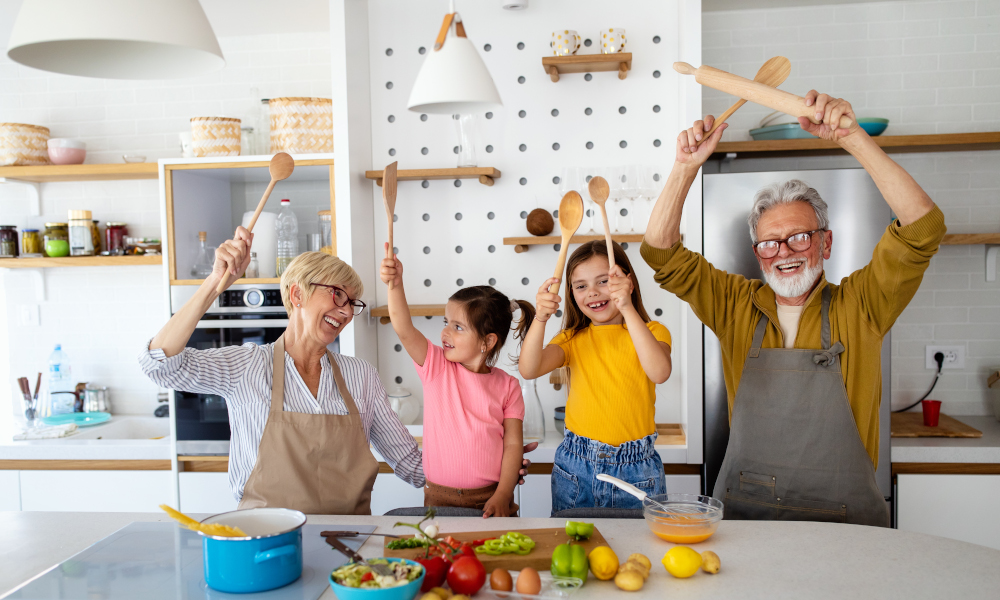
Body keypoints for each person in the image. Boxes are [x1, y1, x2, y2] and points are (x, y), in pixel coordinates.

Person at [641, 91, 946, 526]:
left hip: (848, 528)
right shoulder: (735, 306)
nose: (784, 252)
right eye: (769, 242)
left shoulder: (862, 305)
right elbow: (660, 254)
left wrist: (853, 138)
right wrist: (686, 168)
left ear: (825, 241)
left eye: (799, 237)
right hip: (749, 522)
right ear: (758, 252)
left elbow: (923, 230)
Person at [140, 229, 534, 514]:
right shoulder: (246, 366)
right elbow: (159, 365)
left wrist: (494, 467)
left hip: (350, 543)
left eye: (353, 303)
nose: (346, 311)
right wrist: (216, 282)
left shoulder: (360, 376)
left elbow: (414, 466)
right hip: (265, 536)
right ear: (296, 294)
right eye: (337, 295)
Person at [519, 241, 673, 514]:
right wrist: (540, 319)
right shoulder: (571, 339)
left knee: (638, 552)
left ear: (628, 283)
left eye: (604, 281)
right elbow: (529, 369)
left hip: (637, 468)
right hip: (576, 465)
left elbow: (660, 372)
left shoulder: (653, 331)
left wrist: (626, 308)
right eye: (580, 286)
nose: (592, 292)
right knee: (573, 549)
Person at [380, 244, 533, 517]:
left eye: (458, 327)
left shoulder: (508, 386)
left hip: (492, 498)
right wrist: (395, 284)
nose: (445, 332)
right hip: (439, 498)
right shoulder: (436, 365)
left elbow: (512, 446)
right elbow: (403, 329)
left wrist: (503, 494)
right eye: (446, 322)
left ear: (488, 341)